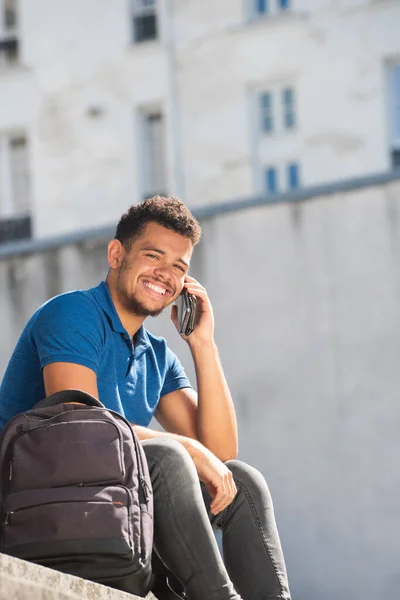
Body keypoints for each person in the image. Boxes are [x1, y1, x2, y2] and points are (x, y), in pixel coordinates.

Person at [0, 196, 291, 600]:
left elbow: (219, 454)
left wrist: (203, 345)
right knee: (170, 457)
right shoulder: (72, 314)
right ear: (117, 254)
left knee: (241, 481)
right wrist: (188, 448)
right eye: (154, 256)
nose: (165, 274)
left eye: (179, 267)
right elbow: (80, 423)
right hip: (38, 505)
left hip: (114, 508)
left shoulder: (156, 354)